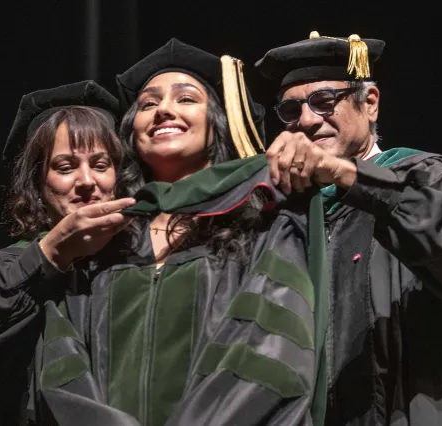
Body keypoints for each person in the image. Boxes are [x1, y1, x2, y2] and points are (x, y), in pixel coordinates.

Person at [26, 38, 323, 426]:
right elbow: (62, 369)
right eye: (148, 104)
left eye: (186, 99)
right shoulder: (101, 238)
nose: (163, 109)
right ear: (131, 132)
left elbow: (270, 359)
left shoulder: (262, 215)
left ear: (217, 125)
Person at [255, 30, 442, 425]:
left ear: (371, 104)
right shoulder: (285, 220)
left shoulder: (426, 182)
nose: (307, 121)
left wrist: (350, 178)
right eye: (292, 111)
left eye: (324, 101)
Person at [0, 80, 135, 425]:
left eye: (100, 165)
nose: (87, 181)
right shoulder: (5, 270)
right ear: (38, 184)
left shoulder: (144, 262)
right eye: (66, 167)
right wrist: (50, 256)